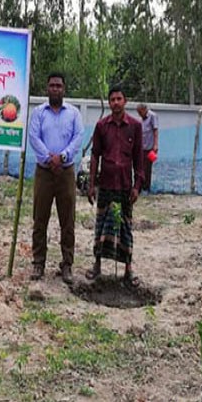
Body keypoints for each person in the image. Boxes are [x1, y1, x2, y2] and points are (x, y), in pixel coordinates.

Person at [27, 72, 85, 284]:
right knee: (40, 218)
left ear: (64, 89)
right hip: (44, 173)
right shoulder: (38, 113)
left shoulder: (74, 114)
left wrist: (62, 157)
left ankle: (67, 264)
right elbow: (34, 137)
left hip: (66, 173)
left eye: (59, 86)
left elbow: (78, 137)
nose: (55, 89)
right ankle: (38, 263)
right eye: (52, 85)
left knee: (67, 220)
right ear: (47, 88)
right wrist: (49, 159)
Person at [86, 85, 144, 287]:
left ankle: (128, 269)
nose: (116, 103)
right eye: (112, 99)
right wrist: (91, 184)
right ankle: (97, 265)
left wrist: (137, 186)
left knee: (126, 226)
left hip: (126, 186)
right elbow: (95, 156)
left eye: (119, 99)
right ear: (109, 103)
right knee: (102, 224)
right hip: (106, 184)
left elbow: (139, 159)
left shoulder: (135, 127)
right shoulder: (102, 126)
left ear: (125, 101)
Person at [136, 103, 159, 192]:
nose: (139, 114)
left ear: (144, 110)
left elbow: (155, 130)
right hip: (142, 147)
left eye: (139, 112)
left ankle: (146, 187)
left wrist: (156, 145)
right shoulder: (141, 119)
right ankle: (140, 186)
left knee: (147, 168)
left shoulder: (152, 116)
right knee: (140, 167)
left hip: (150, 147)